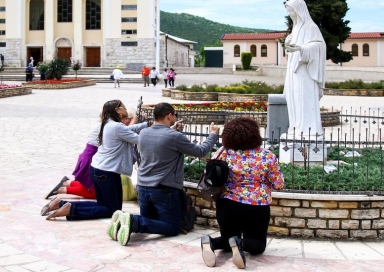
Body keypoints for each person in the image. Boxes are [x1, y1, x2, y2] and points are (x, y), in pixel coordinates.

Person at [110, 103, 218, 246]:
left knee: (150, 222)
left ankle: (125, 222)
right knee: (173, 227)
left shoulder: (144, 133)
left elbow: (160, 138)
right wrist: (212, 135)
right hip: (164, 189)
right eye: (175, 115)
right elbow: (200, 152)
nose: (175, 117)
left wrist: (172, 130)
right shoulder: (174, 137)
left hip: (143, 186)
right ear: (169, 115)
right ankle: (133, 221)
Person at [200, 117, 285, 269]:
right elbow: (278, 184)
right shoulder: (267, 156)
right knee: (258, 244)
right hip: (256, 206)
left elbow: (209, 173)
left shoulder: (222, 153)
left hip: (226, 204)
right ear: (254, 134)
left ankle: (211, 242)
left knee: (227, 238)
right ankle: (241, 243)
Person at [41, 99, 145, 220]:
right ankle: (71, 209)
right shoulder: (116, 126)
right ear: (117, 110)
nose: (126, 110)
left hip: (97, 168)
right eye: (124, 108)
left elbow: (128, 130)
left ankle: (61, 204)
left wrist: (146, 125)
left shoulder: (108, 123)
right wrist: (158, 134)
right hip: (107, 172)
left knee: (103, 205)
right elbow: (140, 140)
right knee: (112, 210)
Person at [283, 0, 326, 137]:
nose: (290, 14)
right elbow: (290, 51)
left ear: (299, 11)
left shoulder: (311, 27)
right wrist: (287, 44)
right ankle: (295, 126)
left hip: (305, 72)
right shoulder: (295, 28)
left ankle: (308, 129)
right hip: (294, 71)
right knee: (294, 99)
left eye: (291, 11)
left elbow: (319, 46)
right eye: (288, 11)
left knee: (303, 99)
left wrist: (302, 49)